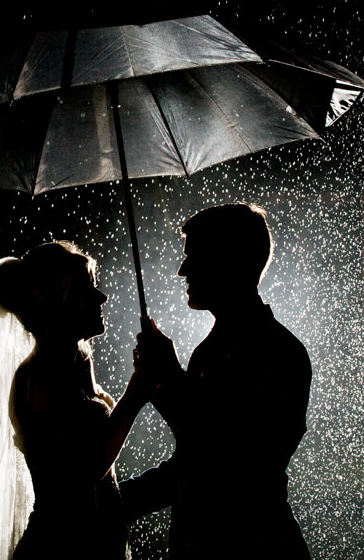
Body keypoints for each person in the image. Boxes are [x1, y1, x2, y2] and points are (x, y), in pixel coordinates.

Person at [123, 203, 312, 559]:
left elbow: (229, 462)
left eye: (194, 256)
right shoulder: (208, 352)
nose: (182, 270)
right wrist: (119, 501)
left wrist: (168, 376)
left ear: (230, 261)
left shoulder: (278, 354)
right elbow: (190, 460)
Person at [0, 241, 149, 560]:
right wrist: (136, 393)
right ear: (59, 299)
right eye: (87, 286)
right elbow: (80, 477)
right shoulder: (34, 379)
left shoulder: (78, 365)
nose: (102, 297)